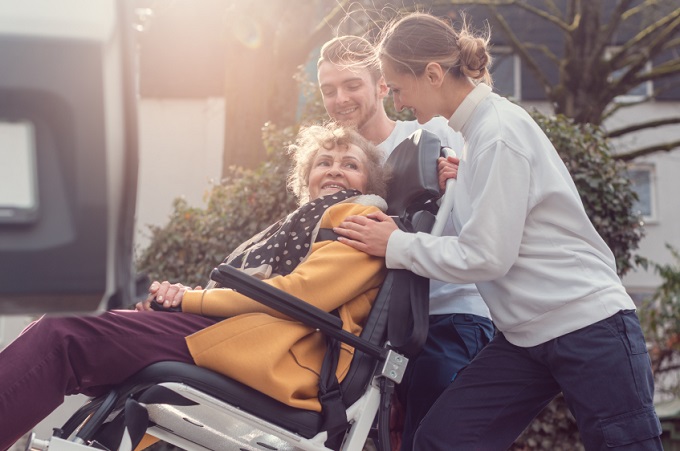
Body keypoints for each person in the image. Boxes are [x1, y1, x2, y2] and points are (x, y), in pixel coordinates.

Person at [333, 12, 662, 451]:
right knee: (441, 439)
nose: (397, 101)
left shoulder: (498, 133)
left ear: (432, 74)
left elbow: (487, 257)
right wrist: (463, 177)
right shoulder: (476, 138)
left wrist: (395, 244)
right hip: (526, 338)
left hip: (589, 326)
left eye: (397, 88)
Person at [0, 123, 389, 450]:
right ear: (306, 181)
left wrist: (191, 299)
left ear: (369, 182)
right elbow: (242, 290)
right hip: (242, 335)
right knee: (64, 332)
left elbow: (302, 294)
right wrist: (180, 302)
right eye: (325, 162)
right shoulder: (296, 226)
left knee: (65, 333)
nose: (335, 171)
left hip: (278, 353)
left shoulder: (362, 218)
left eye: (350, 164)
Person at [317, 35, 494, 451]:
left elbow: (480, 214)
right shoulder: (336, 163)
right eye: (328, 90)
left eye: (351, 85)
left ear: (383, 86)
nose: (339, 99)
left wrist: (461, 179)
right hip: (374, 332)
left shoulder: (429, 132)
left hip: (445, 316)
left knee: (432, 436)